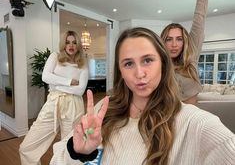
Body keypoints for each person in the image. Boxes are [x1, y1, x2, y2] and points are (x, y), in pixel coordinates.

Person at [50, 27, 235, 165]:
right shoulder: (105, 110)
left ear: (163, 63)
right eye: (129, 64)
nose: (139, 74)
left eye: (147, 60)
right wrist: (79, 153)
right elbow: (58, 159)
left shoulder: (194, 122)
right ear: (120, 71)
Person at [19, 30, 89, 165]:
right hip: (54, 102)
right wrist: (69, 82)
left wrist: (56, 84)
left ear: (79, 45)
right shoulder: (55, 56)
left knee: (70, 149)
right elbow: (45, 77)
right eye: (67, 42)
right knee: (26, 147)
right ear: (63, 44)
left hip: (74, 105)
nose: (71, 45)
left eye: (74, 42)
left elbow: (80, 90)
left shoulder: (83, 62)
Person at [160, 0, 209, 105]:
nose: (174, 44)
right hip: (168, 117)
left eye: (179, 39)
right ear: (163, 42)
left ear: (184, 42)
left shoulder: (191, 57)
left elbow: (199, 19)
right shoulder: (159, 66)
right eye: (169, 39)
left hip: (193, 117)